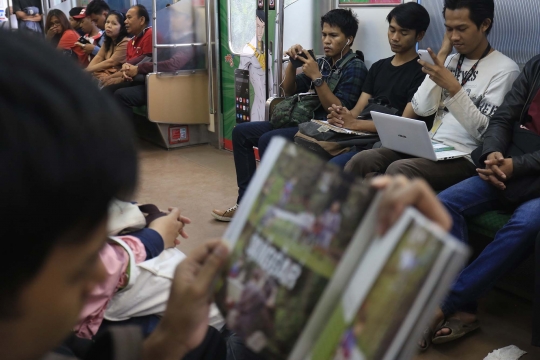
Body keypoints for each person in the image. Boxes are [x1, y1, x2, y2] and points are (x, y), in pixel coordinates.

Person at [423, 54, 540, 349]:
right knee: (446, 202)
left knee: (525, 223)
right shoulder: (537, 65)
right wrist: (492, 154)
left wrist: (518, 165)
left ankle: (446, 304)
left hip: (526, 171)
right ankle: (466, 307)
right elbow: (503, 117)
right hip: (508, 162)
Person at [345, 0, 520, 191]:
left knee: (399, 170)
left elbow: (485, 133)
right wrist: (443, 54)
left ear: (484, 24)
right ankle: (342, 218)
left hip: (465, 156)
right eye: (449, 29)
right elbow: (421, 108)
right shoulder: (451, 60)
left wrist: (454, 88)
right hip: (431, 146)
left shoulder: (505, 70)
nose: (454, 37)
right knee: (362, 160)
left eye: (461, 29)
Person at [212, 8, 367, 222]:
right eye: (324, 35)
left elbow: (339, 111)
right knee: (241, 133)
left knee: (269, 139)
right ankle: (245, 203)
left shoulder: (355, 67)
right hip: (300, 119)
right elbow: (289, 90)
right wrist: (293, 66)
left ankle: (274, 207)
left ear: (349, 39)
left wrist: (317, 78)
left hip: (324, 128)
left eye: (334, 36)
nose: (327, 41)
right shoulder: (321, 62)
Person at [327, 2, 431, 168]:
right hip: (363, 137)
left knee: (335, 167)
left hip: (390, 145)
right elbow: (358, 110)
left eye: (403, 32)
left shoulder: (423, 72)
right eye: (392, 29)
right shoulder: (378, 67)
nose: (395, 37)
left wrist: (354, 124)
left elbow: (404, 125)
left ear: (419, 36)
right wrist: (341, 117)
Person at [112, 7, 196, 116]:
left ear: (189, 20)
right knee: (109, 90)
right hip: (155, 81)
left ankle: (126, 132)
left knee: (121, 95)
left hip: (169, 85)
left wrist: (139, 68)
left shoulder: (190, 43)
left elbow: (172, 64)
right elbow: (152, 55)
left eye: (176, 16)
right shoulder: (171, 39)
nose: (170, 20)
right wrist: (128, 65)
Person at [101, 4, 153, 88]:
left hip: (144, 82)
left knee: (111, 90)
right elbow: (126, 69)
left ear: (142, 20)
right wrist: (109, 78)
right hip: (131, 78)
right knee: (103, 84)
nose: (125, 21)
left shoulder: (150, 34)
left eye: (129, 17)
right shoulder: (131, 41)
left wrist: (118, 80)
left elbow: (145, 65)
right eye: (107, 22)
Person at [238, 10, 273, 122]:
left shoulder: (265, 49)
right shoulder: (247, 50)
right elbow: (240, 79)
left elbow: (270, 74)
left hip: (270, 102)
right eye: (257, 26)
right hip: (258, 105)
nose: (260, 31)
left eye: (263, 27)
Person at [85, 11, 129, 81]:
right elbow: (99, 57)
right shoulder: (108, 39)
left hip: (118, 77)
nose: (109, 26)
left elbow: (111, 62)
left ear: (122, 28)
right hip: (106, 74)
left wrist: (86, 71)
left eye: (114, 24)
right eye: (107, 22)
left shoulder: (125, 42)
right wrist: (86, 72)